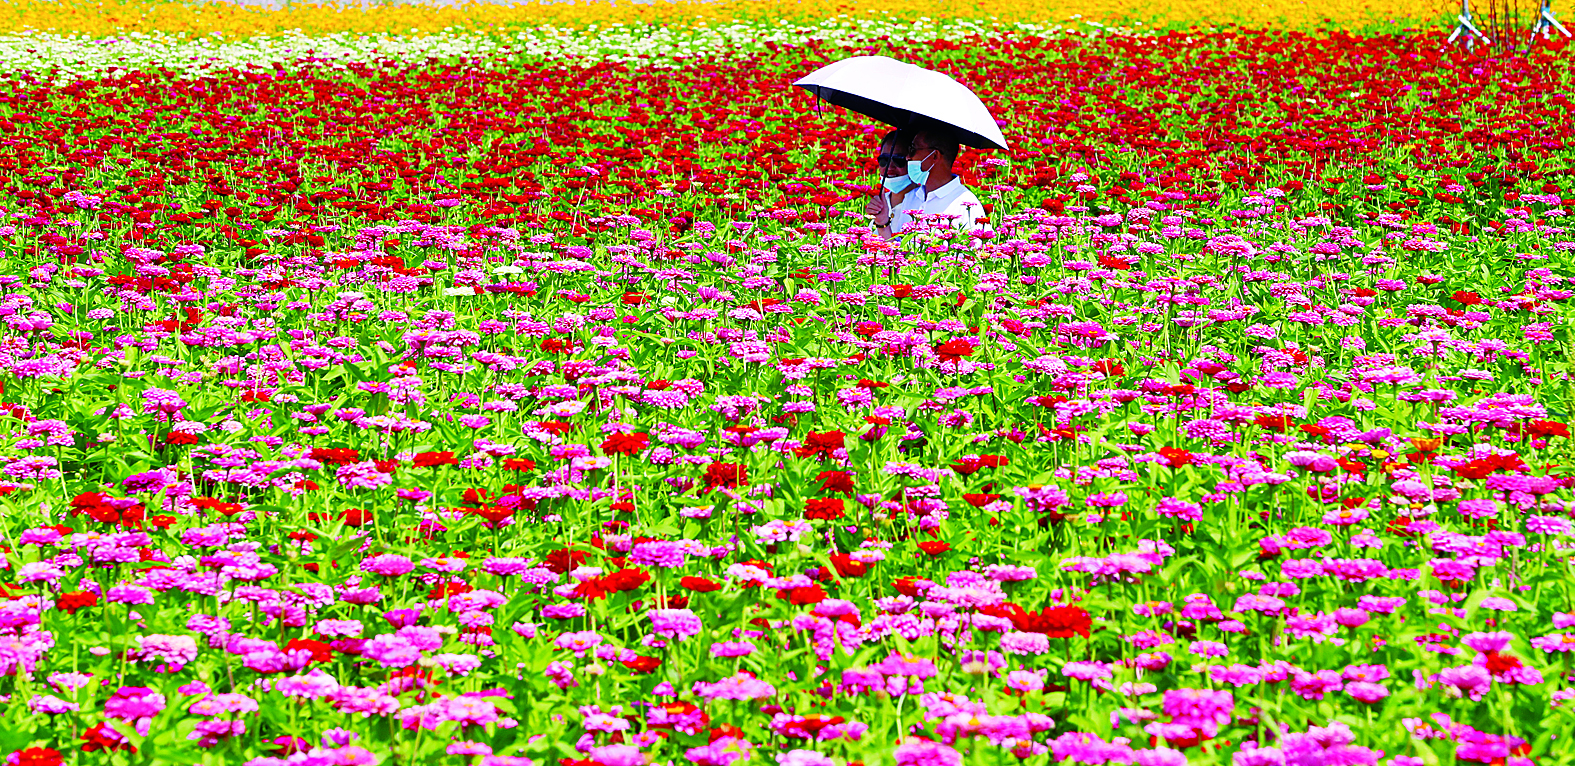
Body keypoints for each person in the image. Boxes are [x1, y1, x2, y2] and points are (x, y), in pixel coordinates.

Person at [889, 124, 986, 235]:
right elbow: (899, 246)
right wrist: (882, 223)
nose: (907, 157)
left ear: (934, 155)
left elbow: (979, 248)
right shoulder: (912, 197)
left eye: (912, 150)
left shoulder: (966, 205)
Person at [862, 128, 916, 239]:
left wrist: (883, 225)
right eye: (884, 160)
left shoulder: (921, 207)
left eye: (899, 160)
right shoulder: (880, 203)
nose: (889, 167)